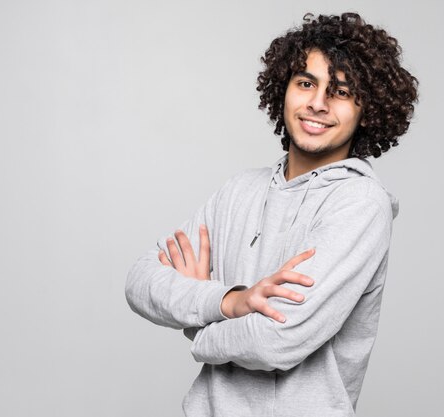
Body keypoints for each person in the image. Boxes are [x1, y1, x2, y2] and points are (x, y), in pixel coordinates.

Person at [125, 12, 418, 417]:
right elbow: (141, 280)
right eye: (306, 83)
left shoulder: (360, 203)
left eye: (341, 91)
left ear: (366, 111)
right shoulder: (239, 190)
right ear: (283, 89)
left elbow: (274, 341)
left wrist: (197, 327)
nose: (317, 103)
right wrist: (228, 302)